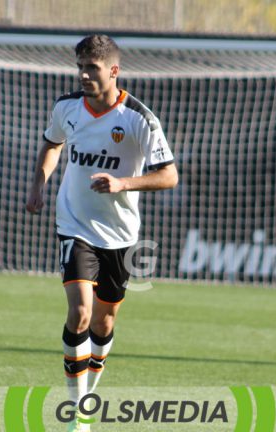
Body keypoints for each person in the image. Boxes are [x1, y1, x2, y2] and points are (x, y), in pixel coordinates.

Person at [26, 34, 178, 430]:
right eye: (79, 66)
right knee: (79, 312)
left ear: (113, 70)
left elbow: (169, 176)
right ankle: (78, 415)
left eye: (91, 68)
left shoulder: (138, 119)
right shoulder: (66, 107)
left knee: (104, 323)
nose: (83, 74)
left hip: (121, 234)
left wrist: (122, 184)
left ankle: (88, 396)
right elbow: (52, 145)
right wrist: (39, 182)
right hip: (74, 224)